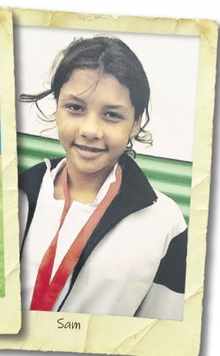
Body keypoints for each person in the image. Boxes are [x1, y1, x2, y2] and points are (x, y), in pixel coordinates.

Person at [18, 35, 187, 320]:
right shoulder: (15, 193)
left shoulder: (165, 224)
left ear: (135, 123)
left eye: (111, 115)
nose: (90, 129)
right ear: (57, 107)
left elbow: (163, 335)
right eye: (75, 107)